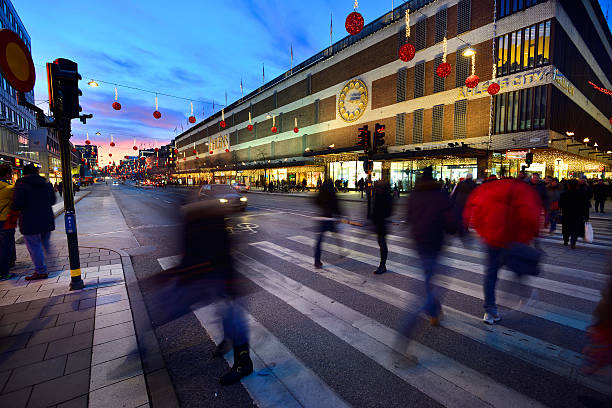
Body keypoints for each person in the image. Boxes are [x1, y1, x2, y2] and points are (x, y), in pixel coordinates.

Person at [464, 177, 542, 324]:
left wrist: (484, 233)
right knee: (517, 265)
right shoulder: (522, 189)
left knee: (491, 274)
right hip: (512, 239)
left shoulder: (487, 189)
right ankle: (522, 295)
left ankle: (490, 311)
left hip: (491, 240)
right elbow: (530, 215)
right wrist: (530, 235)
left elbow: (474, 212)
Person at [405, 167, 456, 326]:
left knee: (428, 277)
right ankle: (432, 312)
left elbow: (408, 217)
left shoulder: (413, 195)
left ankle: (435, 308)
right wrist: (455, 230)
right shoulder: (440, 195)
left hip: (420, 242)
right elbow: (449, 220)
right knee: (434, 279)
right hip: (435, 242)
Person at [11, 164, 56, 280]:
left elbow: (17, 204)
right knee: (45, 243)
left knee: (34, 246)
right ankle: (51, 266)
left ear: (24, 173)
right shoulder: (46, 184)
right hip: (46, 219)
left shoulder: (21, 185)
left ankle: (41, 271)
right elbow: (53, 200)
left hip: (30, 221)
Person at [313, 179, 341, 269]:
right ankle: (341, 251)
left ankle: (317, 261)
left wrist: (322, 207)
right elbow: (337, 206)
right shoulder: (332, 193)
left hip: (322, 219)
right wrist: (339, 216)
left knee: (319, 241)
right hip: (330, 219)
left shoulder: (322, 192)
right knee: (336, 235)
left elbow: (315, 201)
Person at [371, 180, 393, 274]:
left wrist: (379, 216)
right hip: (379, 223)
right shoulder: (378, 194)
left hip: (382, 223)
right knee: (381, 243)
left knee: (382, 244)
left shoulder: (385, 196)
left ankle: (382, 265)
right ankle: (382, 265)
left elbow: (388, 211)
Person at [560, 179, 587, 249]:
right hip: (577, 214)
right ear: (577, 185)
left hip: (567, 214)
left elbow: (560, 205)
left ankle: (566, 241)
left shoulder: (564, 194)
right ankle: (573, 243)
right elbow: (585, 205)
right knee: (575, 229)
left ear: (568, 185)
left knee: (566, 228)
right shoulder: (581, 194)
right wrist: (585, 215)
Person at [0, 165, 17, 280]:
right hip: (5, 221)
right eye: (11, 173)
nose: (11, 175)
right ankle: (4, 272)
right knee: (6, 247)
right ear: (6, 174)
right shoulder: (9, 189)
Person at [450, 173, 477, 238]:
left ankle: (460, 228)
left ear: (466, 177)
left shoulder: (461, 183)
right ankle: (465, 227)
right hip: (468, 202)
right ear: (471, 177)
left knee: (459, 215)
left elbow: (455, 192)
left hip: (459, 201)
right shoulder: (473, 184)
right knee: (467, 215)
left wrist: (452, 199)